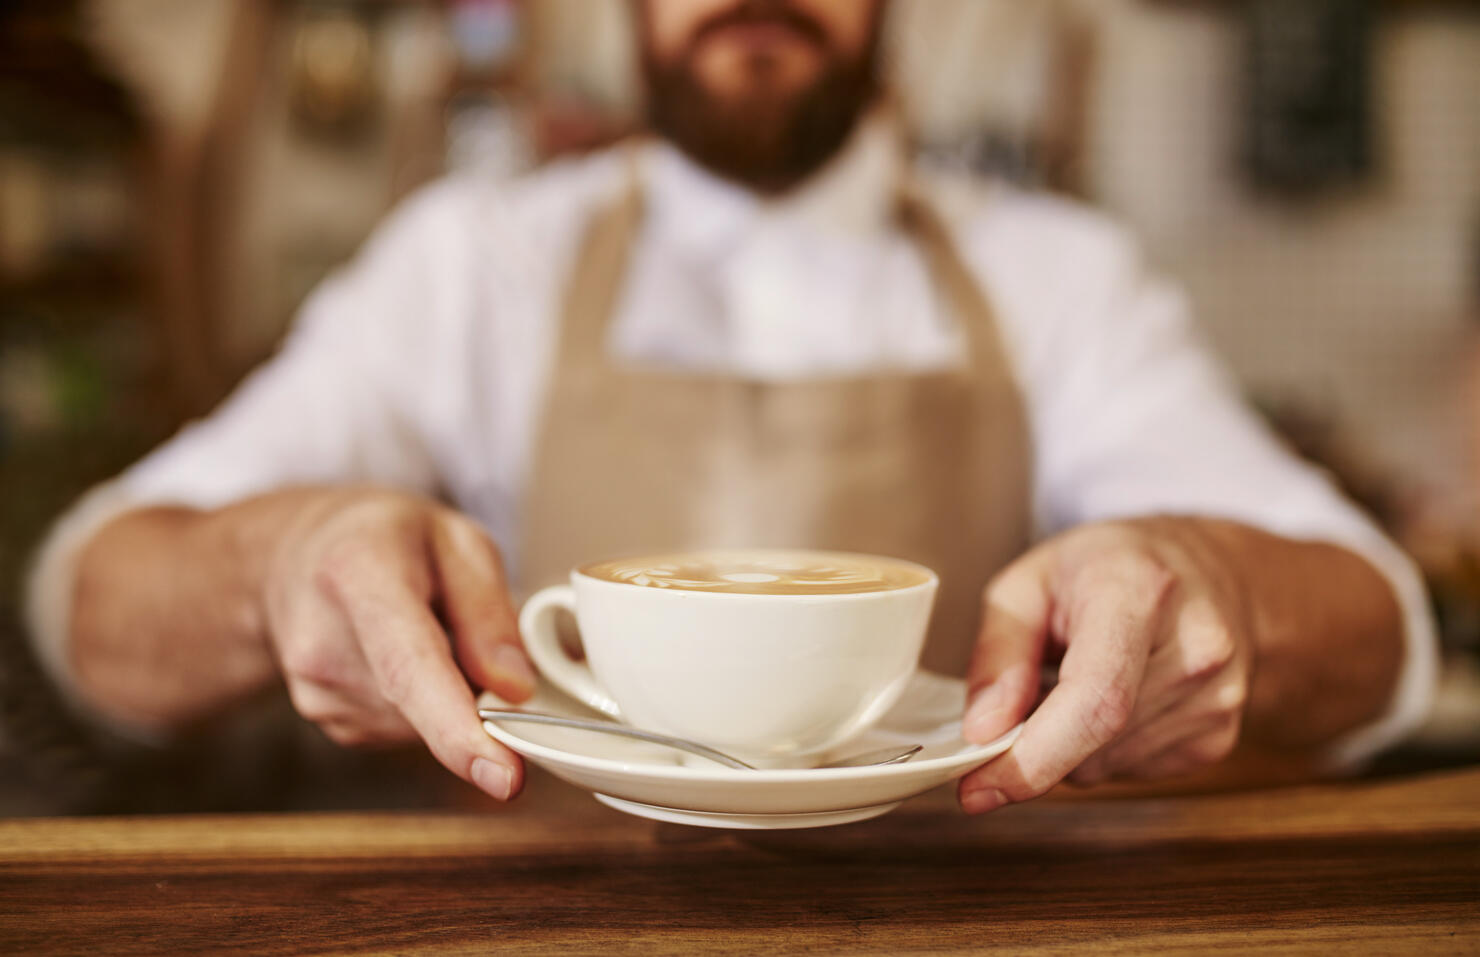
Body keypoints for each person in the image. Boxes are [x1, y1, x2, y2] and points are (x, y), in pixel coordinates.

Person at [26, 0, 1435, 814]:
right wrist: (279, 560)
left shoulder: (1057, 274)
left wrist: (1217, 590)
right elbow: (86, 599)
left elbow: (1381, 631)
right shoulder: (472, 261)